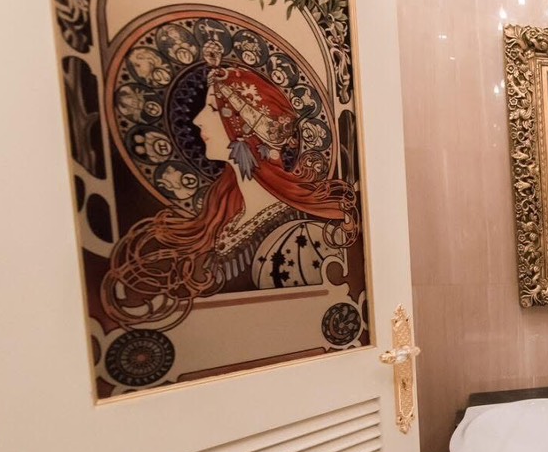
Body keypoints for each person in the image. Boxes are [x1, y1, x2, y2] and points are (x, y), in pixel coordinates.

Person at [101, 64, 360, 329]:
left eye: (212, 109)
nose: (198, 120)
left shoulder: (300, 237)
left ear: (246, 128)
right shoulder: (228, 217)